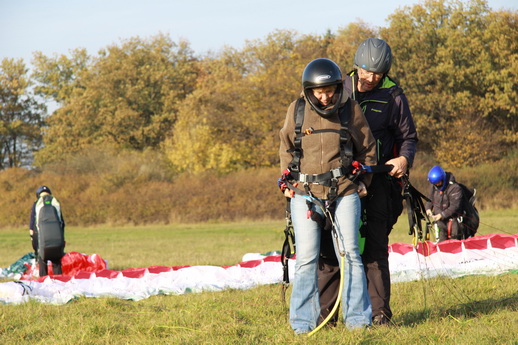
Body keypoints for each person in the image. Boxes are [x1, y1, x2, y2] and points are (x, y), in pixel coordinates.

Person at [318, 38, 418, 326]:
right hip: (339, 182)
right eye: (365, 70)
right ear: (355, 66)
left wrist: (404, 159)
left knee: (374, 249)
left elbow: (408, 138)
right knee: (330, 248)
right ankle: (327, 316)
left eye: (377, 73)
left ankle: (379, 315)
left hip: (379, 182)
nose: (370, 77)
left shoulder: (394, 95)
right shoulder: (338, 88)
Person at [279, 58, 377, 333]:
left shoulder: (350, 109)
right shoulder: (296, 110)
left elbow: (368, 147)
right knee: (307, 259)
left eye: (329, 91)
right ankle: (302, 324)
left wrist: (364, 181)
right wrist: (286, 181)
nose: (324, 97)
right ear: (309, 91)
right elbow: (286, 148)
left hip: (344, 192)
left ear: (337, 87)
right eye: (318, 93)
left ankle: (357, 321)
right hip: (304, 194)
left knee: (350, 255)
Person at [29, 185, 66, 276]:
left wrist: (33, 238)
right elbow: (62, 223)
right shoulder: (55, 202)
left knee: (42, 259)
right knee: (56, 260)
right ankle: (60, 281)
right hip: (57, 237)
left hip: (43, 239)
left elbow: (33, 223)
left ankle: (43, 281)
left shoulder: (37, 203)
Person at [425, 165, 464, 242]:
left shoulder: (455, 188)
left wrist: (441, 215)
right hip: (440, 222)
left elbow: (455, 206)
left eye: (438, 183)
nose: (437, 185)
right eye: (435, 184)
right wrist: (428, 208)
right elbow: (430, 199)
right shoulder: (434, 187)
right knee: (441, 241)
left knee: (454, 241)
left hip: (453, 221)